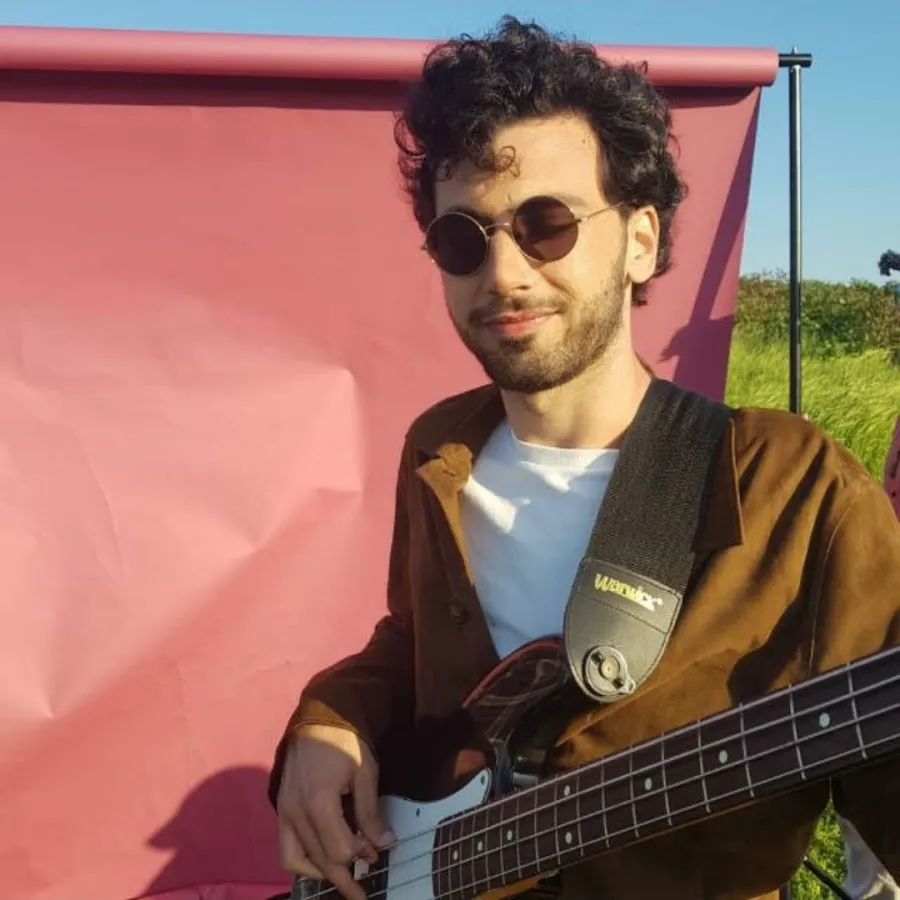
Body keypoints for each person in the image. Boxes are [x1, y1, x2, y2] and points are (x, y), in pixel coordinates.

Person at [267, 16, 900, 900]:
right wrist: (333, 719)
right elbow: (413, 646)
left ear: (640, 240)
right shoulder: (439, 452)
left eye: (546, 224)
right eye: (463, 238)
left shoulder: (795, 488)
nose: (504, 274)